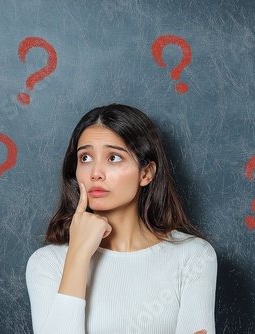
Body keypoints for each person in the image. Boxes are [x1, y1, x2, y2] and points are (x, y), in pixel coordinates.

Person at [26, 104, 217, 333]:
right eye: (85, 157)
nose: (95, 172)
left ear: (146, 173)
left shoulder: (193, 256)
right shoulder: (47, 263)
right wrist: (77, 255)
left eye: (114, 157)